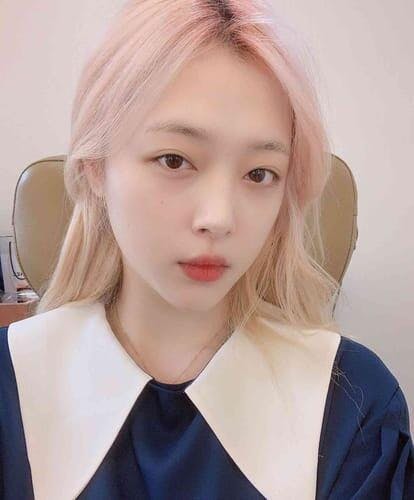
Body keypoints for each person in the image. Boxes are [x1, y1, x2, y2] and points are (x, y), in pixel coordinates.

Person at [1, 1, 413, 499]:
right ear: (95, 168)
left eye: (259, 173)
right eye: (174, 160)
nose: (218, 218)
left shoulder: (353, 406)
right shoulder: (12, 387)